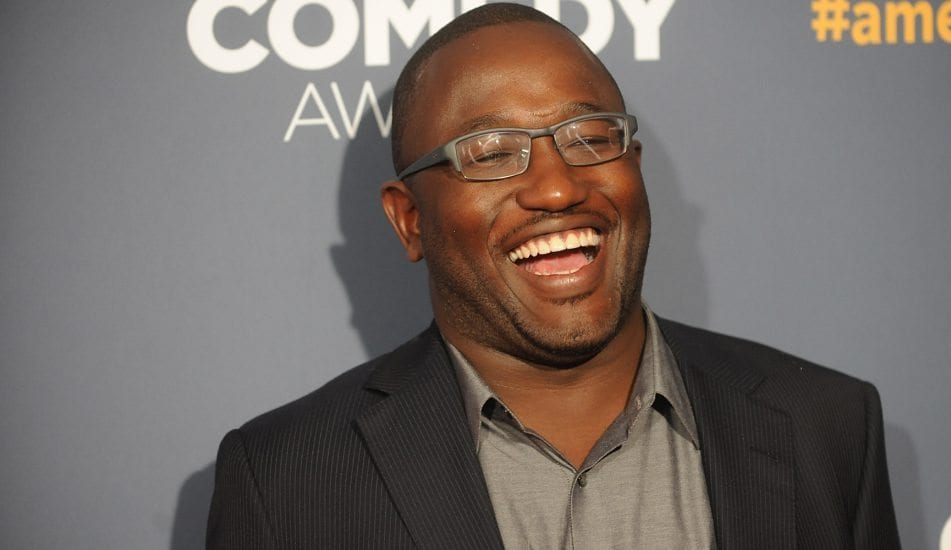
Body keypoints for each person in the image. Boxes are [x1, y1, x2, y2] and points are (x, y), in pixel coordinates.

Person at [207, 4, 901, 549]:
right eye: (489, 152)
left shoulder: (827, 426)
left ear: (634, 165)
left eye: (590, 138)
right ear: (409, 220)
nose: (558, 188)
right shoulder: (283, 481)